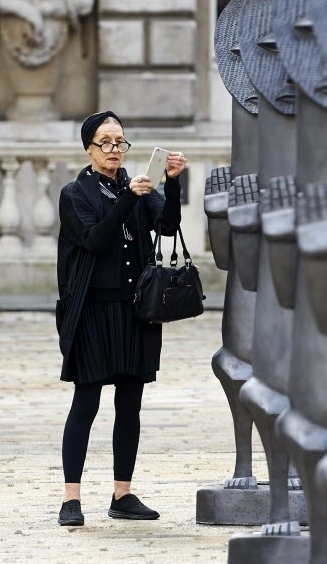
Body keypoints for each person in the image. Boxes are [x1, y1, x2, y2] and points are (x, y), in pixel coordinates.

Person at [55, 110, 189, 526]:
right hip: (92, 311)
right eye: (106, 142)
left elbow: (167, 226)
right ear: (89, 148)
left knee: (130, 404)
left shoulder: (139, 186)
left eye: (120, 142)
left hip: (135, 310)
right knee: (86, 402)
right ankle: (71, 499)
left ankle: (122, 494)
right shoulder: (75, 193)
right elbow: (95, 240)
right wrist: (131, 196)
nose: (115, 149)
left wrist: (171, 181)